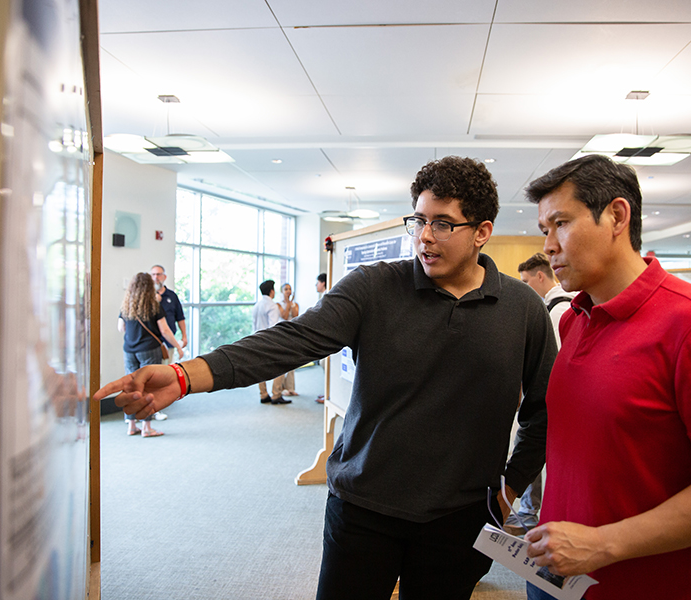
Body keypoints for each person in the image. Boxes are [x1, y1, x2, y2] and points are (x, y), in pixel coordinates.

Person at [93, 155, 557, 600]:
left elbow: (545, 411)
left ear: (482, 232)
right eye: (418, 220)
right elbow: (291, 341)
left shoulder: (522, 310)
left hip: (459, 519)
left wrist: (508, 487)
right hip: (363, 509)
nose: (424, 238)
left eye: (442, 223)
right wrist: (185, 374)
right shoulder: (375, 287)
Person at [522, 154, 691, 600]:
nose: (549, 246)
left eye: (561, 223)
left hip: (642, 586)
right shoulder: (576, 318)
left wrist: (601, 544)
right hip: (554, 575)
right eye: (545, 230)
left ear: (617, 216)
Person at [503, 252, 578, 535]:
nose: (524, 286)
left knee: (538, 456)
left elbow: (552, 370)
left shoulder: (558, 312)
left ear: (540, 276)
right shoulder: (558, 307)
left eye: (526, 280)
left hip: (554, 407)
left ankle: (531, 515)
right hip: (553, 407)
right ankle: (529, 513)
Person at [118, 272, 183, 437]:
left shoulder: (127, 305)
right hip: (149, 349)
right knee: (148, 386)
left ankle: (131, 425)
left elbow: (121, 328)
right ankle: (147, 427)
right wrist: (178, 346)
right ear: (149, 286)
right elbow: (165, 330)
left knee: (131, 386)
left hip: (129, 350)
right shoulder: (153, 305)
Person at [149, 264, 187, 420]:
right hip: (151, 345)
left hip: (168, 344)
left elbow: (180, 317)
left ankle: (158, 406)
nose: (156, 277)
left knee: (164, 376)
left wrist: (184, 336)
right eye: (153, 274)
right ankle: (152, 409)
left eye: (158, 274)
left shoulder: (172, 295)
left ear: (164, 277)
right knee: (153, 377)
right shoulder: (146, 297)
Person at [253, 279, 291, 405]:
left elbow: (254, 325)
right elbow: (273, 327)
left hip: (256, 339)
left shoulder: (257, 305)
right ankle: (276, 394)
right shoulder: (272, 306)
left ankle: (263, 395)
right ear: (271, 291)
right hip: (268, 341)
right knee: (281, 365)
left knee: (259, 368)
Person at [276, 283, 300, 396]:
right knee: (282, 361)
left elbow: (295, 317)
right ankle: (280, 388)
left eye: (290, 289)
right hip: (282, 334)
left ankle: (290, 387)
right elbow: (284, 316)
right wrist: (288, 304)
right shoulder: (278, 304)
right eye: (286, 289)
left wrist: (291, 304)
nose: (288, 291)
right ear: (282, 291)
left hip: (293, 334)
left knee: (293, 361)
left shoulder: (295, 304)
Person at [314, 273, 328, 403]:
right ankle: (327, 393)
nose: (316, 285)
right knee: (325, 366)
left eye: (317, 282)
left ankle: (328, 394)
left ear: (323, 283)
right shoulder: (324, 296)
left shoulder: (327, 297)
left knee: (326, 366)